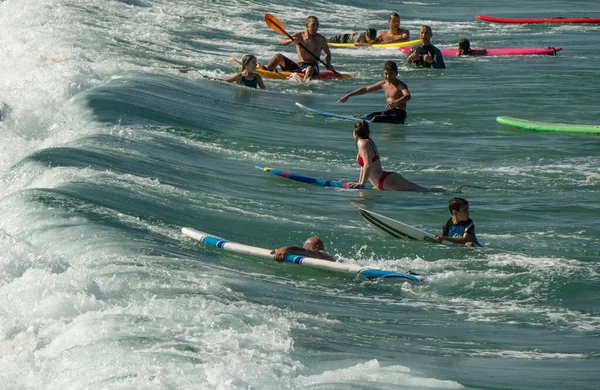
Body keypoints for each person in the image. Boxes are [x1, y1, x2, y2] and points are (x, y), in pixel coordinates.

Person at [346, 120, 446, 191]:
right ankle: (450, 191)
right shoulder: (368, 142)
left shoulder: (362, 143)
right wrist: (359, 182)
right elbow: (364, 166)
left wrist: (361, 184)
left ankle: (453, 191)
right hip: (385, 180)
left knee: (426, 191)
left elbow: (368, 165)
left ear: (355, 132)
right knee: (424, 190)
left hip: (386, 180)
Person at [260, 16, 333, 83]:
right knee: (277, 56)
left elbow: (327, 53)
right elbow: (282, 42)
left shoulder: (320, 39)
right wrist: (291, 41)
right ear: (307, 26)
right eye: (313, 25)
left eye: (317, 25)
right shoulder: (299, 35)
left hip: (313, 67)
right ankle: (267, 72)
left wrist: (328, 64)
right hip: (299, 66)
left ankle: (304, 86)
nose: (316, 27)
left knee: (309, 68)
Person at [338, 61, 410, 124]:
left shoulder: (400, 85)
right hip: (389, 113)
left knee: (376, 118)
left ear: (396, 73)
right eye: (386, 73)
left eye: (391, 73)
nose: (388, 76)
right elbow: (366, 89)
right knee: (368, 116)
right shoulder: (383, 84)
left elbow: (407, 96)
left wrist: (396, 102)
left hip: (399, 115)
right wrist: (348, 95)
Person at [271, 236, 336, 262]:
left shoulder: (322, 254)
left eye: (306, 248)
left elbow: (306, 252)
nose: (304, 250)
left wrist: (286, 249)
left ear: (316, 248)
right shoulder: (325, 255)